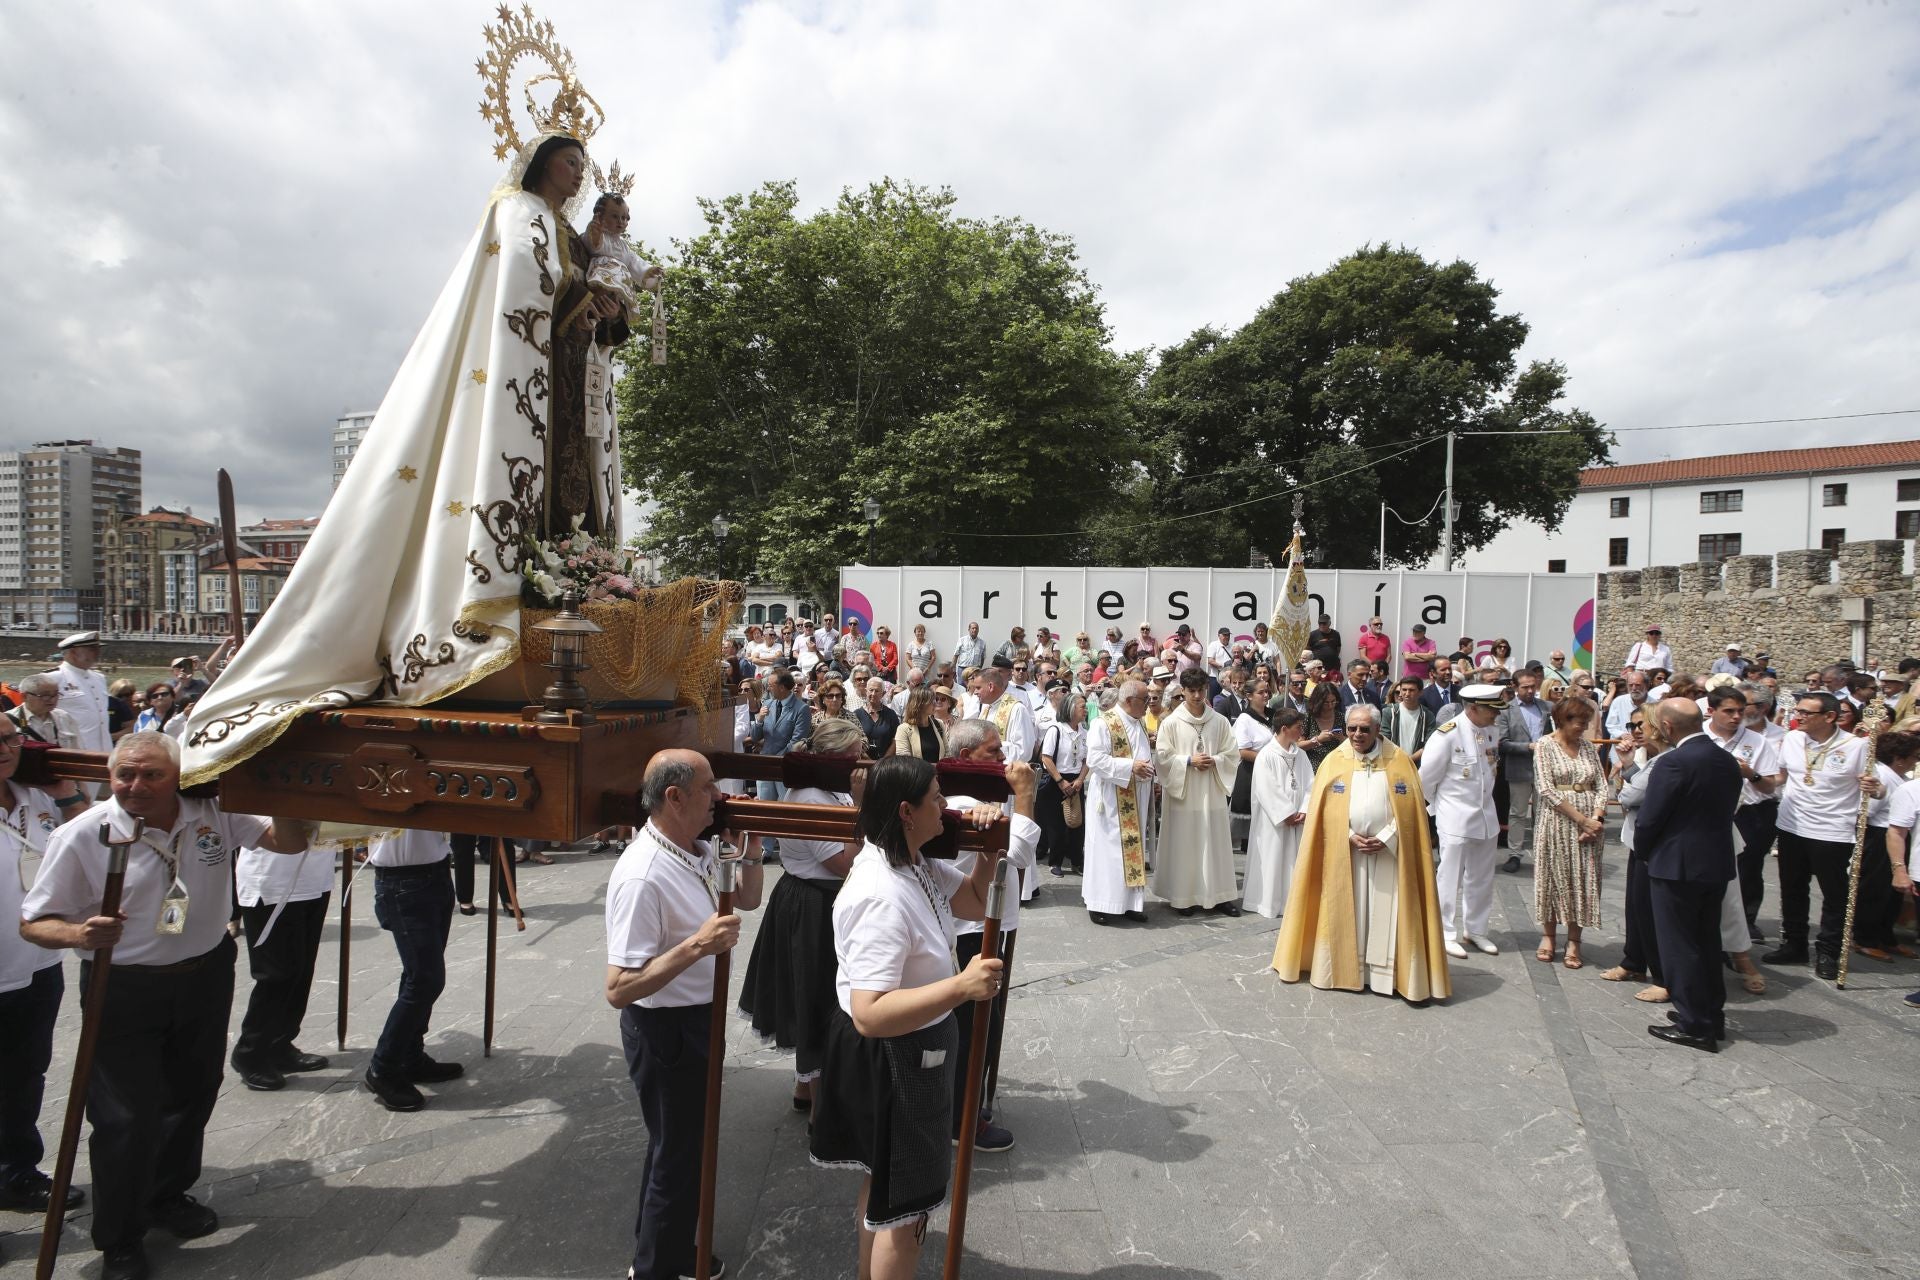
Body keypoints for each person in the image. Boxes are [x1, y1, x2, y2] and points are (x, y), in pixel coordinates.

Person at [180, 122, 635, 786]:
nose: (576, 175)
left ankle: (568, 593)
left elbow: (584, 304)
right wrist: (576, 298)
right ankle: (511, 612)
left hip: (566, 400)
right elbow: (521, 292)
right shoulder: (517, 213)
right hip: (525, 390)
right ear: (540, 164)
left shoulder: (570, 233)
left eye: (581, 166)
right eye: (568, 162)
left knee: (570, 505)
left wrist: (606, 309)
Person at [21, 731, 314, 1280]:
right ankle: (120, 1238)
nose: (135, 785)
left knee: (193, 1093)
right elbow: (34, 922)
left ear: (179, 775)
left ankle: (166, 1195)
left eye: (152, 774)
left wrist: (286, 794)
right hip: (124, 986)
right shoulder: (85, 834)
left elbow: (287, 842)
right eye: (124, 775)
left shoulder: (213, 811)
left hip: (205, 974)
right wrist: (80, 933)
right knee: (124, 1117)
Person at [808, 755, 1006, 1279]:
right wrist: (961, 986)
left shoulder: (912, 860)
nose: (946, 806)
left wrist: (987, 849)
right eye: (937, 798)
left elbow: (971, 900)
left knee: (887, 1193)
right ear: (905, 811)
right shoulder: (881, 894)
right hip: (897, 1058)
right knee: (906, 1211)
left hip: (911, 1050)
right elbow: (870, 1013)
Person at [606, 752, 764, 1280]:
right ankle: (655, 1269)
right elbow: (619, 987)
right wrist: (697, 946)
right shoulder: (642, 875)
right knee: (678, 1156)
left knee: (679, 1148)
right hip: (666, 1029)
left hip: (697, 1017)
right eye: (708, 788)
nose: (718, 796)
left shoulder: (693, 847)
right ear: (674, 797)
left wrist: (754, 851)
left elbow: (746, 897)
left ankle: (671, 1249)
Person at [1272, 705, 1449, 1000]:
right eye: (1352, 728)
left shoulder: (1400, 761)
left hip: (1390, 855)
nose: (1357, 734)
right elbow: (1322, 812)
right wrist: (1349, 835)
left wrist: (1388, 836)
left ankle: (1384, 977)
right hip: (1347, 854)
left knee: (1388, 916)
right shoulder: (1333, 761)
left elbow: (1413, 813)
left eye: (1364, 729)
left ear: (1378, 730)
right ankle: (1342, 969)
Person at [739, 718, 863, 1115]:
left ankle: (806, 1087)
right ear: (830, 759)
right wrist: (862, 805)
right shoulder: (810, 796)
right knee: (818, 996)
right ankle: (823, 1103)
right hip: (812, 903)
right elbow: (844, 862)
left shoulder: (829, 789)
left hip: (821, 899)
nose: (860, 764)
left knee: (818, 993)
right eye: (853, 757)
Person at [0, 719, 85, 1217]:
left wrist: (67, 794)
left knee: (25, 1074)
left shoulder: (36, 798)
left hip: (38, 961)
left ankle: (18, 1172)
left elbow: (101, 839)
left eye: (10, 740)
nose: (5, 750)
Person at [943, 721, 1038, 1151]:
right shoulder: (964, 802)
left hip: (982, 922)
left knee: (983, 1023)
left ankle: (965, 1105)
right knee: (974, 1026)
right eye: (992, 752)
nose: (1003, 759)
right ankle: (960, 1122)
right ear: (965, 758)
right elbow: (1017, 853)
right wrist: (1025, 795)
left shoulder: (977, 796)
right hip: (969, 930)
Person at [1636, 699, 1744, 1052]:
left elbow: (1650, 818)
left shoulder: (1674, 762)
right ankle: (1710, 1013)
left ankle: (1695, 1024)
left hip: (1676, 865)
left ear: (1667, 727)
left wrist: (1645, 850)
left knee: (1679, 945)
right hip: (1714, 862)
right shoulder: (1726, 760)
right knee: (1707, 941)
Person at [1764, 691, 1878, 980]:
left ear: (1829, 717)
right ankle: (1794, 943)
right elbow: (1781, 777)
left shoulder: (1857, 746)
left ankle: (1829, 951)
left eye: (1806, 713)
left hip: (1833, 831)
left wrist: (1874, 788)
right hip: (1792, 826)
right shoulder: (1792, 739)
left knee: (1834, 894)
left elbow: (1878, 788)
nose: (1798, 716)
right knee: (1792, 888)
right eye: (1797, 711)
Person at [359, 829, 465, 1111]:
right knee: (425, 980)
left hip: (437, 871)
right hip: (402, 879)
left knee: (417, 976)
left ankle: (410, 1055)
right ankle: (382, 1067)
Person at [229, 827, 335, 1092]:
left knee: (300, 971)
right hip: (272, 880)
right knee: (276, 974)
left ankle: (280, 1043)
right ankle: (250, 1052)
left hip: (315, 876)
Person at [1420, 685, 1506, 959]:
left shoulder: (1492, 731)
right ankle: (1445, 932)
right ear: (1473, 708)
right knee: (1449, 877)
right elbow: (1426, 780)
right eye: (1491, 709)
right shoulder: (1447, 735)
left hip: (1485, 815)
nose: (1495, 714)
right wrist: (1437, 811)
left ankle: (1476, 929)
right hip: (1455, 816)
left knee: (1482, 876)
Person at [1153, 669, 1241, 916]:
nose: (1197, 695)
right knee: (1186, 844)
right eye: (1191, 691)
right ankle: (1185, 897)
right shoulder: (1171, 722)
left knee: (1215, 842)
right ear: (1182, 691)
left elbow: (1232, 754)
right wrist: (1188, 761)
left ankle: (1220, 895)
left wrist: (1215, 760)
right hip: (1184, 794)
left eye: (1201, 690)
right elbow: (1162, 757)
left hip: (1211, 792)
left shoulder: (1219, 721)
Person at [1531, 696, 1608, 969]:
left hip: (1590, 824)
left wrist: (1595, 819)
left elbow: (1602, 784)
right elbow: (1545, 789)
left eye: (1586, 722)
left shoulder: (1588, 748)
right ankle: (1549, 935)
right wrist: (1581, 820)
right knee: (1553, 876)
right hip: (1557, 821)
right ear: (1563, 720)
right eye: (1579, 722)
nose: (1584, 728)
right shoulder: (1544, 746)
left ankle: (1575, 940)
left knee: (1583, 880)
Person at [1084, 683, 1155, 925]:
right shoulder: (1103, 723)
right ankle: (1099, 903)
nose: (1150, 703)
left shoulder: (1140, 722)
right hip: (1111, 798)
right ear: (1130, 700)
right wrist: (1131, 766)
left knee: (1133, 847)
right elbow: (1095, 759)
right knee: (1107, 851)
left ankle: (1130, 904)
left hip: (1136, 794)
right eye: (1145, 699)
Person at [1854, 732, 1920, 961]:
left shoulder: (1900, 778)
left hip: (1898, 835)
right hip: (1880, 835)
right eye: (1913, 757)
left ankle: (1885, 935)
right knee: (1875, 890)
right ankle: (1864, 938)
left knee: (1893, 894)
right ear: (1898, 758)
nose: (1916, 761)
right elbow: (1868, 811)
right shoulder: (1881, 774)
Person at [1244, 707, 1312, 918]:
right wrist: (1286, 813)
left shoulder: (1300, 754)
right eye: (1298, 727)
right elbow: (1266, 788)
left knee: (1293, 859)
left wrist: (1304, 809)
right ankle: (1268, 903)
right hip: (1274, 821)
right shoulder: (1266, 755)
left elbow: (1311, 783)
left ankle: (1292, 902)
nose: (1302, 731)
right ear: (1285, 728)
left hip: (1297, 818)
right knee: (1272, 859)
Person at [1497, 672, 1550, 873]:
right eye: (1525, 687)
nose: (1530, 690)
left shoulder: (1545, 707)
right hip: (1519, 768)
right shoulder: (1506, 711)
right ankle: (1515, 854)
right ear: (1515, 687)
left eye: (1532, 686)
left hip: (1544, 768)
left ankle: (1542, 854)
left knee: (1543, 813)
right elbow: (1502, 743)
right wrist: (1527, 747)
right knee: (1517, 813)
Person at [1040, 694, 1087, 875]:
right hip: (1057, 779)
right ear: (1070, 709)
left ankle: (1077, 861)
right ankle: (1056, 862)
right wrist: (1060, 781)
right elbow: (1046, 758)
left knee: (1077, 823)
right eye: (1081, 706)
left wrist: (1080, 780)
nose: (1085, 710)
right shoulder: (1056, 730)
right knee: (1056, 824)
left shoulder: (1084, 732)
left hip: (1076, 780)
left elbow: (1087, 760)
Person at [1229, 682, 1275, 853]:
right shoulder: (1244, 720)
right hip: (1253, 773)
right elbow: (1242, 751)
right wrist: (1269, 760)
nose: (1265, 695)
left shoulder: (1274, 715)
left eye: (1267, 691)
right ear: (1249, 696)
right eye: (1261, 692)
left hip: (1275, 774)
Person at [51, 631, 113, 756]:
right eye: (92, 649)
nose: (97, 652)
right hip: (73, 751)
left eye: (98, 648)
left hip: (105, 750)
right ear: (73, 652)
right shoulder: (53, 678)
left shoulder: (99, 678)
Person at [10, 673, 82, 749]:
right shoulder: (8, 720)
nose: (53, 700)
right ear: (24, 696)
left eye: (55, 694)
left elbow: (79, 750)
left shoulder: (63, 717)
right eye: (45, 695)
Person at [1380, 677, 1435, 764]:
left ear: (1420, 692)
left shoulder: (1428, 715)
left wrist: (1409, 760)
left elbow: (1429, 744)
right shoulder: (1389, 712)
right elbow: (1384, 738)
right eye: (1404, 690)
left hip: (1416, 766)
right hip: (1392, 762)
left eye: (1411, 690)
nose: (1407, 693)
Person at [893, 686, 948, 761]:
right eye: (932, 701)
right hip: (917, 772)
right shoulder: (903, 729)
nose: (935, 703)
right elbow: (904, 760)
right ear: (920, 704)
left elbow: (947, 753)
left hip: (939, 772)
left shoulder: (939, 724)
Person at [856, 676, 901, 761]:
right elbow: (854, 742)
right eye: (871, 690)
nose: (873, 694)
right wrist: (869, 761)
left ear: (883, 693)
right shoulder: (856, 714)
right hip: (863, 763)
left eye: (877, 691)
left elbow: (896, 740)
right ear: (866, 691)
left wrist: (883, 761)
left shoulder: (891, 714)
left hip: (886, 764)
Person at [1302, 681, 1343, 770]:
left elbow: (1350, 743)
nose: (1330, 706)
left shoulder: (1341, 717)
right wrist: (1317, 740)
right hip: (1313, 768)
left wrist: (1341, 738)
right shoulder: (1309, 717)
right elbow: (1298, 745)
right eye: (1326, 703)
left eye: (1333, 701)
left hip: (1335, 766)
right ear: (1318, 702)